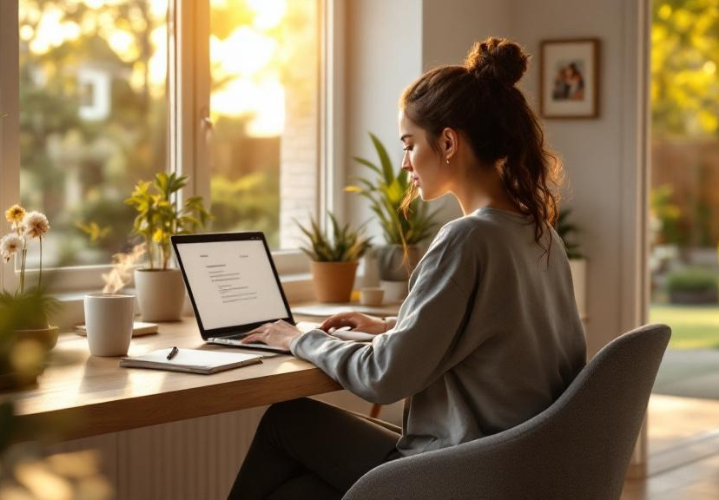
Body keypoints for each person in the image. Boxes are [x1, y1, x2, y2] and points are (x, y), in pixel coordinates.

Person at [229, 37, 586, 499]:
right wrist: (392, 326)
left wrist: (298, 338)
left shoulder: (467, 238)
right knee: (301, 492)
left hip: (461, 469)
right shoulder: (540, 234)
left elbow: (386, 377)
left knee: (288, 420)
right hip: (516, 467)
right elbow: (501, 335)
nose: (405, 164)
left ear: (449, 142)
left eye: (409, 144)